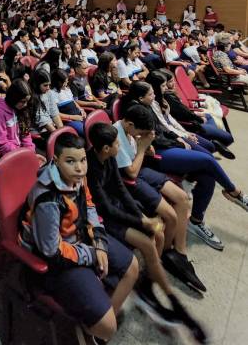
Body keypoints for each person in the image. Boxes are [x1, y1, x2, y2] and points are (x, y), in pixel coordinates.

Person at [87, 123, 207, 340]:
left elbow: (121, 190)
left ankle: (148, 285)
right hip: (106, 218)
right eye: (116, 143)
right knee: (147, 243)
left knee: (159, 234)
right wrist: (142, 221)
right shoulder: (91, 169)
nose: (119, 145)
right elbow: (106, 208)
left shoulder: (109, 158)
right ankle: (168, 297)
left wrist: (143, 219)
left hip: (119, 209)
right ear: (105, 148)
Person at [19, 133, 138, 343]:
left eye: (83, 160)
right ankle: (97, 325)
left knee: (132, 267)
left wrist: (99, 242)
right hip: (59, 261)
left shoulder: (78, 177)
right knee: (109, 328)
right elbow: (52, 252)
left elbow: (89, 205)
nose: (80, 168)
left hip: (82, 238)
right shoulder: (48, 199)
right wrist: (92, 254)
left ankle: (93, 325)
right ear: (56, 161)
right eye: (70, 161)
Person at [121, 81, 248, 251]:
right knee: (208, 160)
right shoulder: (136, 113)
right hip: (157, 154)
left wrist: (179, 136)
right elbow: (155, 139)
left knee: (207, 175)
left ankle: (196, 221)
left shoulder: (151, 105)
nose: (156, 94)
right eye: (151, 93)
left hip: (167, 144)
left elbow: (164, 129)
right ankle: (235, 192)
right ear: (140, 98)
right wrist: (178, 142)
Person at [114, 104, 205, 292]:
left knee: (183, 199)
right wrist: (142, 148)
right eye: (141, 132)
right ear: (130, 125)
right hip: (131, 180)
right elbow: (131, 173)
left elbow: (144, 154)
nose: (142, 135)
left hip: (143, 171)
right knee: (170, 216)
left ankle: (179, 253)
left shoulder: (132, 131)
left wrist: (147, 148)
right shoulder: (117, 136)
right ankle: (165, 256)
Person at [0, 80, 36, 157]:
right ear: (14, 98)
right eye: (23, 101)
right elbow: (1, 144)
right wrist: (22, 154)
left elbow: (25, 133)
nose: (25, 104)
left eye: (27, 101)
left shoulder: (20, 109)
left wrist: (30, 151)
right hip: (6, 154)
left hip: (19, 151)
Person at [50, 69, 85, 136]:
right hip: (69, 120)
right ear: (58, 83)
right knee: (85, 131)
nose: (66, 83)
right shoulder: (52, 93)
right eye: (65, 82)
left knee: (92, 127)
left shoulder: (67, 89)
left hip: (79, 116)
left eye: (67, 81)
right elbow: (56, 114)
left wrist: (81, 109)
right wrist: (73, 117)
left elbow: (73, 101)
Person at [30, 69, 63, 137]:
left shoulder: (49, 92)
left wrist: (62, 131)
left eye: (49, 85)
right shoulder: (32, 97)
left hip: (51, 129)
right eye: (45, 85)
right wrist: (58, 136)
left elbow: (54, 113)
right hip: (39, 133)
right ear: (37, 84)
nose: (48, 88)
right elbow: (43, 121)